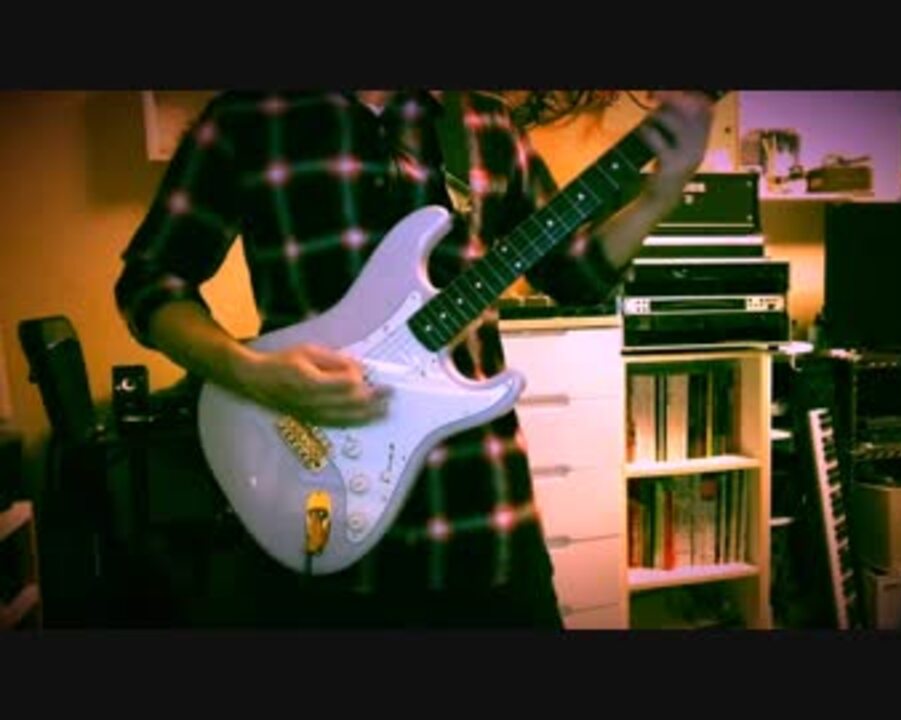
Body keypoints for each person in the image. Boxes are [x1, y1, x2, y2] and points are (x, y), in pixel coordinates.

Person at [115, 89, 714, 628]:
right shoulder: (246, 119)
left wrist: (661, 192)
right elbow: (150, 283)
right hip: (312, 506)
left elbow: (575, 276)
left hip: (481, 517)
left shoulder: (484, 124)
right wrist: (251, 373)